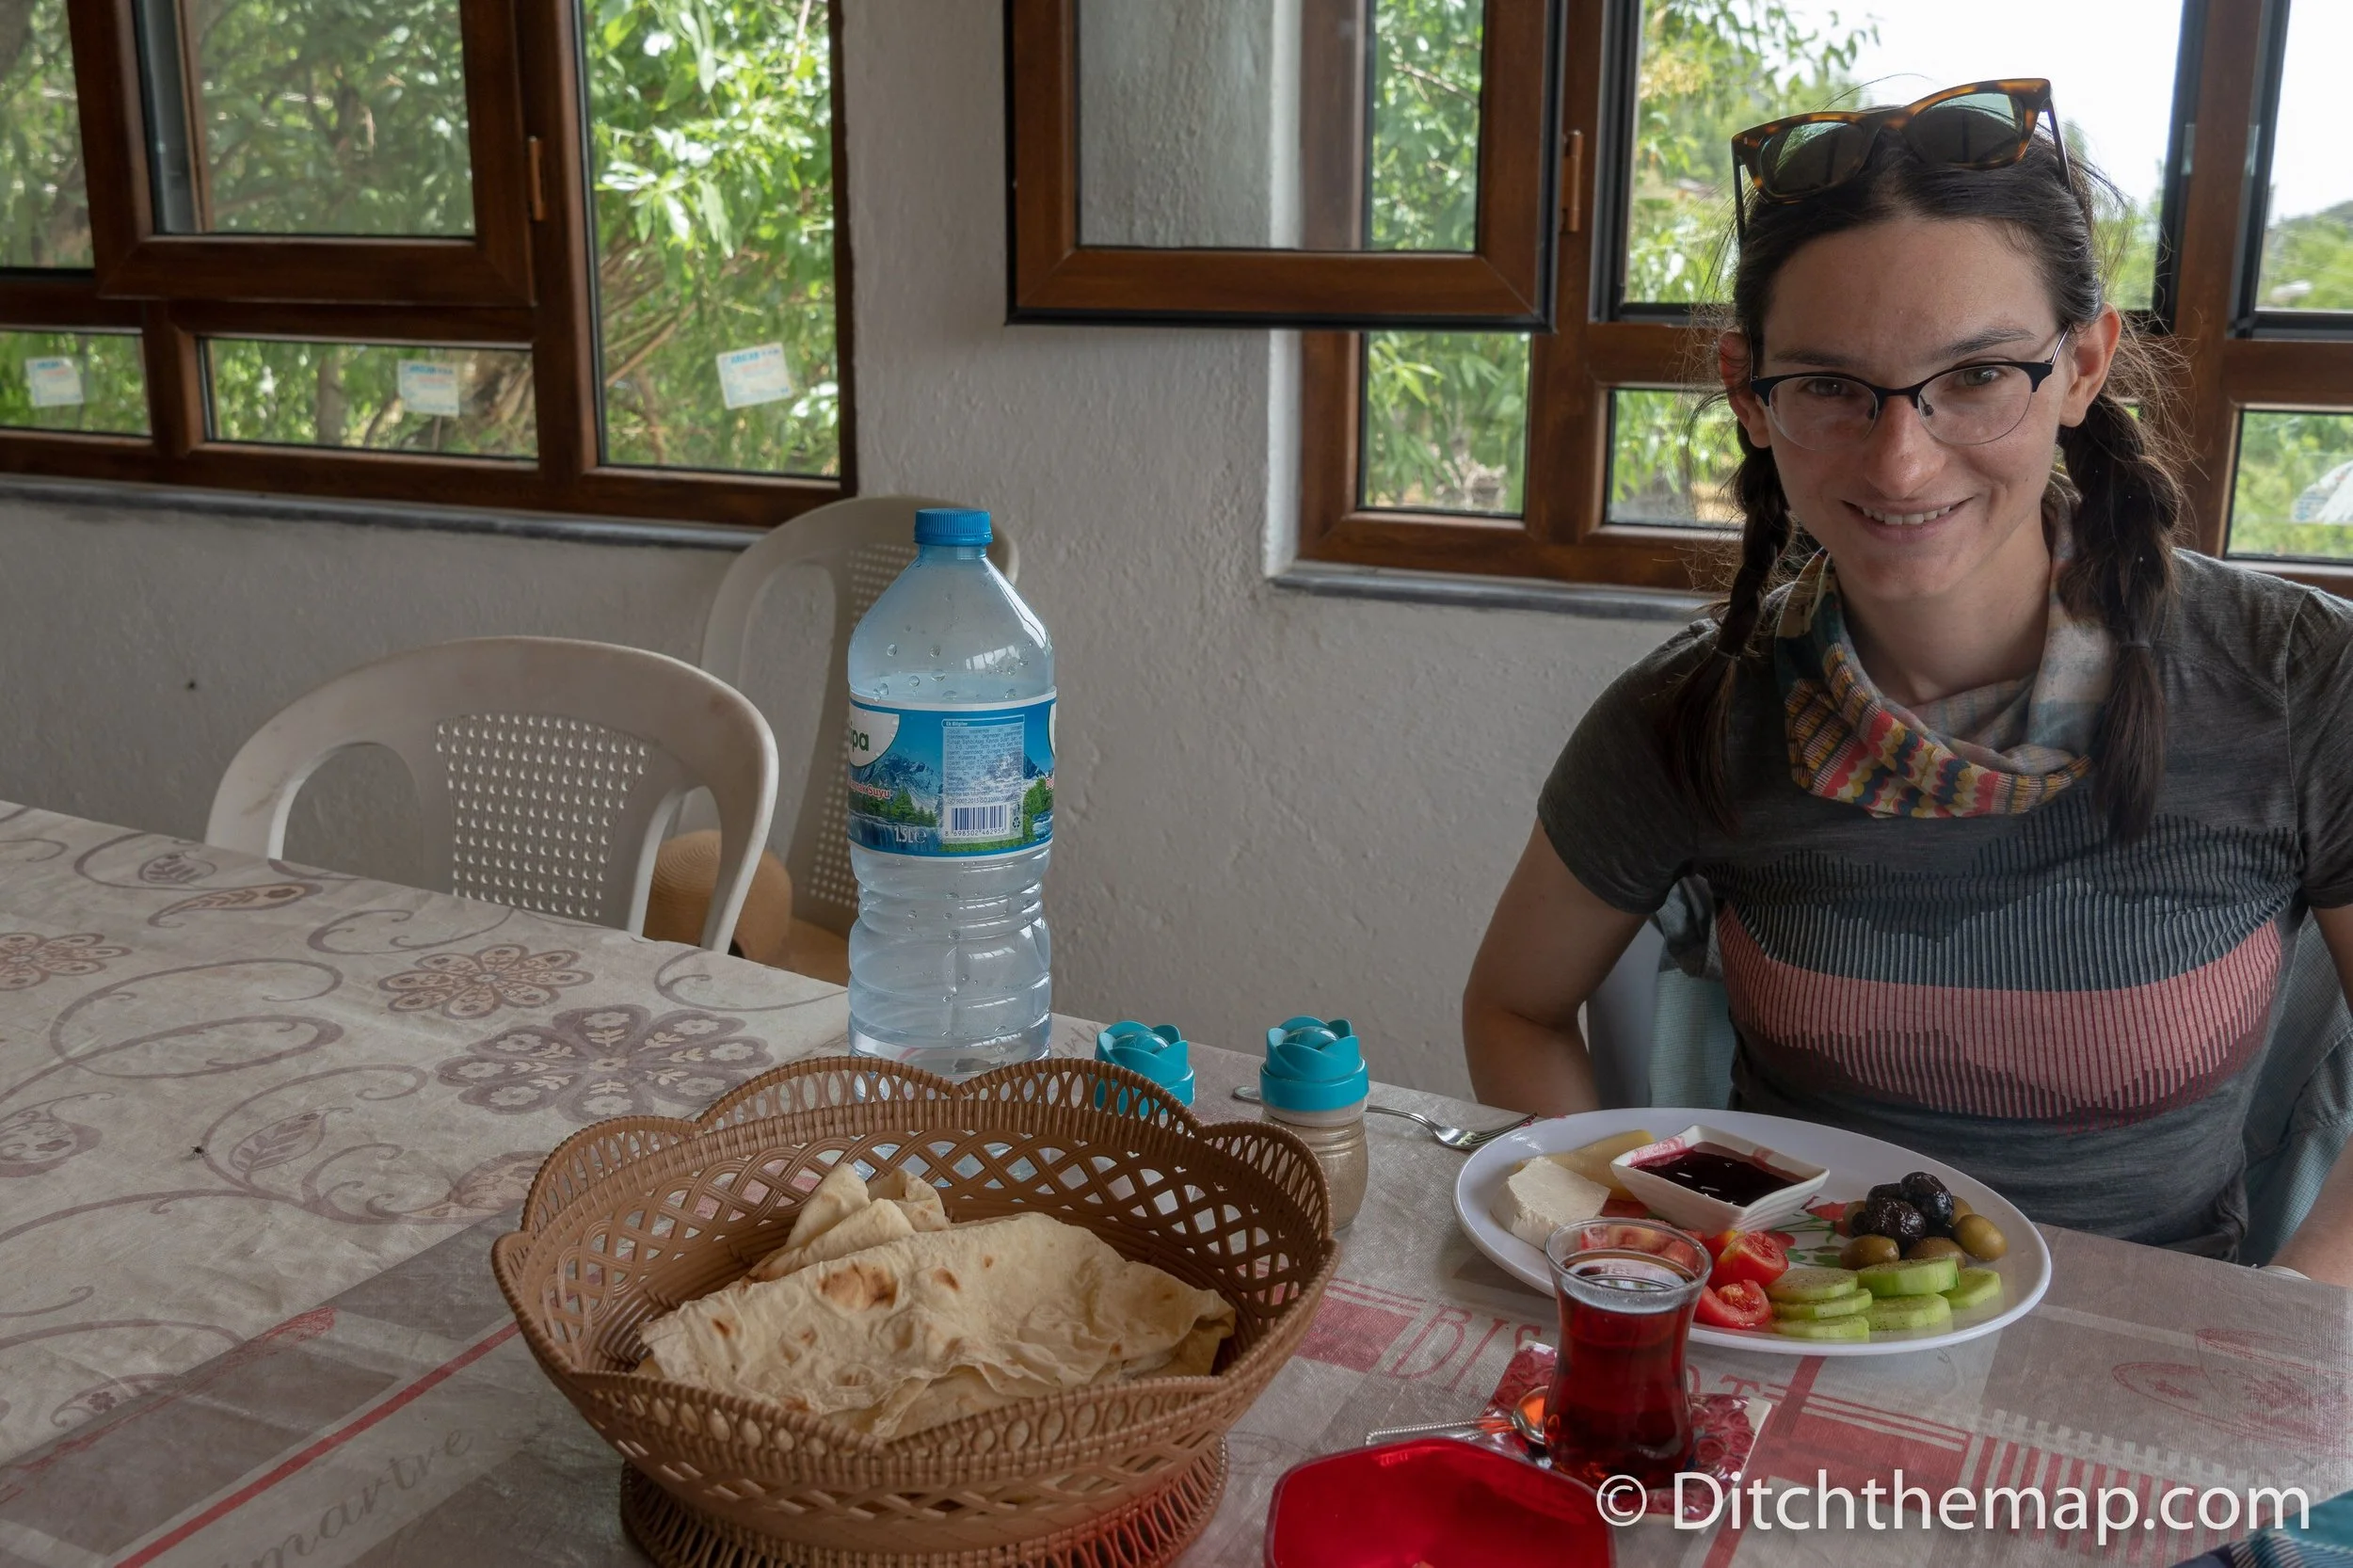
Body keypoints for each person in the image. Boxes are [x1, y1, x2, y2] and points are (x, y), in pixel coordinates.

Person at [1461, 81, 2353, 1286]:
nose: (1900, 461)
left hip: (2151, 1344)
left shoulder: (2295, 682)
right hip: (1799, 1332)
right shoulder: (1692, 716)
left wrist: (2284, 1321)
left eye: (1976, 374)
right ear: (1750, 393)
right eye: (1830, 386)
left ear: (2082, 366)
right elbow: (1513, 1007)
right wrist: (1626, 1253)